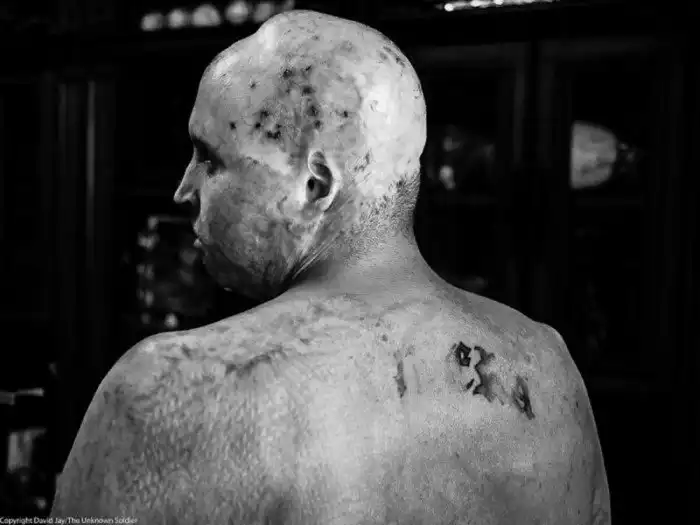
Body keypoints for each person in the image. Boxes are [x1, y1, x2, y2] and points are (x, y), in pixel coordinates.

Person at [50, 10, 611, 524]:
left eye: (209, 158)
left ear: (315, 186)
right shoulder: (550, 368)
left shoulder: (172, 390)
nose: (183, 190)